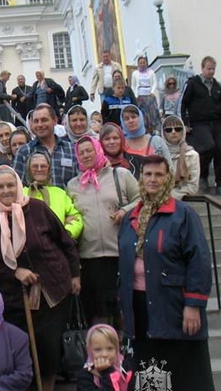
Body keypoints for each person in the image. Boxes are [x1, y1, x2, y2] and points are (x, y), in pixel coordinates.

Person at [0, 166, 80, 391]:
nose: (6, 190)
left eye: (10, 185)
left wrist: (75, 274)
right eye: (0, 186)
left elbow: (65, 241)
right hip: (14, 296)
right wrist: (14, 272)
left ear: (18, 185)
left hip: (52, 289)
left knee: (48, 346)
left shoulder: (38, 209)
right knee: (21, 347)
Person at [118, 155, 215, 391]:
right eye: (148, 174)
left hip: (173, 306)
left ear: (168, 178)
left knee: (185, 375)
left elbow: (199, 261)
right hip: (140, 309)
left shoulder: (182, 215)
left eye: (159, 175)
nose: (153, 180)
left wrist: (193, 305)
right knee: (152, 373)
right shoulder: (131, 217)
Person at [66, 136, 138, 327]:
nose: (86, 155)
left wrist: (125, 210)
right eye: (81, 152)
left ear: (98, 149)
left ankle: (125, 348)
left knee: (122, 307)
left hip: (118, 253)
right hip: (89, 258)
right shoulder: (73, 185)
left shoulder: (120, 175)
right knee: (97, 312)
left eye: (89, 150)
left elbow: (141, 198)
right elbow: (69, 214)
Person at [181, 55, 221, 196]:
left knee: (220, 151)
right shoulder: (193, 84)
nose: (211, 72)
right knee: (208, 147)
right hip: (199, 123)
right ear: (202, 68)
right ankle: (203, 175)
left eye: (213, 69)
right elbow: (184, 103)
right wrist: (185, 123)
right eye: (209, 69)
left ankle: (220, 184)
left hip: (216, 122)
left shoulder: (217, 86)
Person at [12, 103, 78, 188]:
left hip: (66, 201)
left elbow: (79, 185)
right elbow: (18, 187)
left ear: (55, 121)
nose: (40, 125)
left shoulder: (71, 150)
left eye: (44, 120)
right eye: (36, 121)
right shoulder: (24, 152)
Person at [23, 152, 83, 240]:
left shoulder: (59, 193)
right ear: (29, 169)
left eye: (43, 166)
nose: (39, 169)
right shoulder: (20, 193)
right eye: (35, 166)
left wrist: (66, 233)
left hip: (57, 247)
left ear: (49, 169)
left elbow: (76, 218)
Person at [76, 324, 132, 391]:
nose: (104, 354)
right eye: (98, 349)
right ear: (90, 351)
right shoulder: (85, 376)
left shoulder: (125, 368)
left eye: (110, 348)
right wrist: (107, 372)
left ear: (117, 349)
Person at [120, 105, 173, 171]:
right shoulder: (121, 145)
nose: (131, 121)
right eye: (126, 118)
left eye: (133, 117)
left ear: (140, 118)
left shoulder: (157, 142)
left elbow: (170, 168)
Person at [161, 116, 200, 199]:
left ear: (183, 131)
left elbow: (192, 187)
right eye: (168, 130)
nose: (173, 132)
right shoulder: (158, 155)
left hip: (179, 202)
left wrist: (168, 197)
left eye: (178, 129)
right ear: (163, 133)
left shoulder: (192, 155)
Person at [130, 56, 161, 134]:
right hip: (140, 95)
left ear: (146, 63)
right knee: (142, 113)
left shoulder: (151, 72)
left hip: (149, 94)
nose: (142, 64)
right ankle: (144, 129)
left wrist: (152, 92)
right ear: (138, 64)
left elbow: (154, 83)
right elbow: (133, 85)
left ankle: (153, 129)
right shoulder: (135, 73)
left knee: (152, 113)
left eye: (144, 62)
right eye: (141, 63)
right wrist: (135, 95)